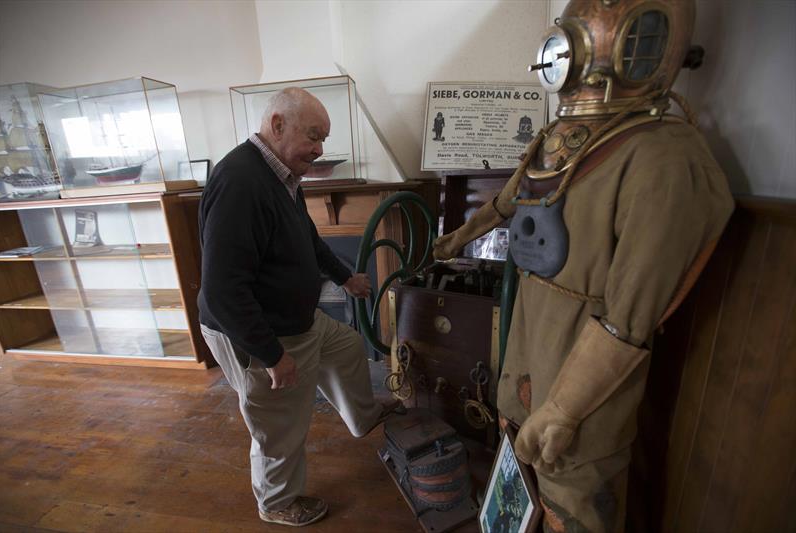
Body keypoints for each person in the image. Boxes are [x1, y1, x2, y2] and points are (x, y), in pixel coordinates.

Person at [434, 1, 733, 531]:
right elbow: (511, 200)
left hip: (581, 391)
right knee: (519, 490)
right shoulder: (557, 139)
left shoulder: (664, 157)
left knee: (571, 503)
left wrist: (564, 410)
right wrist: (459, 236)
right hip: (526, 356)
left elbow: (630, 317)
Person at [198, 87, 403, 527]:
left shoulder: (280, 175)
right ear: (276, 125)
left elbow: (307, 239)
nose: (319, 149)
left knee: (347, 347)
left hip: (300, 321)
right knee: (280, 426)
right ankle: (277, 502)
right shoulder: (240, 182)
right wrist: (273, 357)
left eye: (323, 139)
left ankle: (362, 415)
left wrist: (345, 276)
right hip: (262, 333)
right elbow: (221, 290)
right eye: (313, 136)